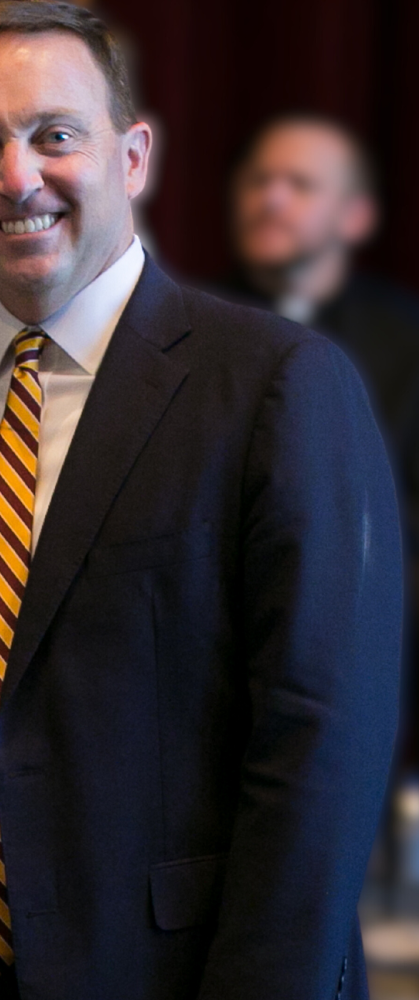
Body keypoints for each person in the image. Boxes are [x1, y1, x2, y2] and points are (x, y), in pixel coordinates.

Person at [0, 4, 402, 999]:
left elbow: (320, 748)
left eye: (55, 135)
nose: (16, 177)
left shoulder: (275, 384)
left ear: (132, 156)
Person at [221, 115, 419, 753]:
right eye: (259, 181)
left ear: (356, 217)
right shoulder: (195, 328)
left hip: (369, 677)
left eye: (299, 185)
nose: (270, 199)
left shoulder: (408, 343)